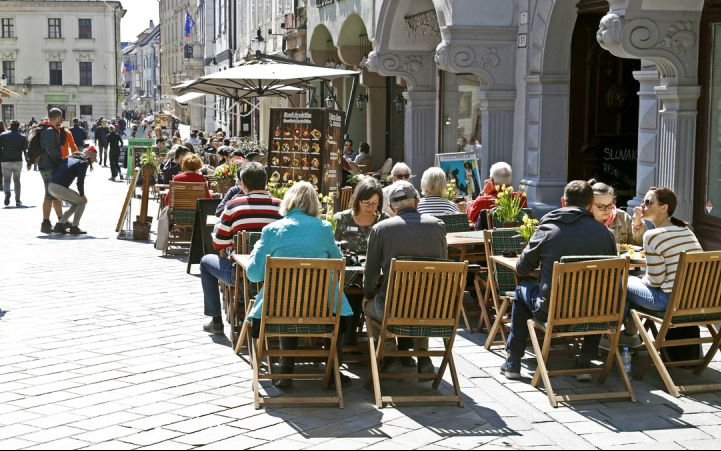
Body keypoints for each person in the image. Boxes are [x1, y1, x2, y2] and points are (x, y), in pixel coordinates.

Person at [502, 180, 617, 381]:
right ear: (590, 204)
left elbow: (522, 268)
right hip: (597, 311)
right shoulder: (606, 234)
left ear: (563, 201)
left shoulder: (549, 228)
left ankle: (513, 361)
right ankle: (584, 362)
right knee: (595, 297)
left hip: (554, 310)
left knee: (522, 289)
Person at [245, 181, 354, 387]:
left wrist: (255, 250)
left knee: (288, 301)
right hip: (321, 313)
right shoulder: (323, 228)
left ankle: (286, 367)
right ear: (314, 204)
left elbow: (254, 275)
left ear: (289, 202)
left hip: (275, 313)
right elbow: (338, 263)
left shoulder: (271, 230)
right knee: (334, 309)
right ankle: (332, 371)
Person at [363, 181, 448, 374]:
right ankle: (422, 355)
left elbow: (371, 274)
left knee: (370, 306)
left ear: (392, 207)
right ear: (417, 202)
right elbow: (443, 264)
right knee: (421, 300)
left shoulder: (381, 229)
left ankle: (391, 355)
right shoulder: (437, 226)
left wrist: (368, 294)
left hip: (393, 307)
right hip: (433, 309)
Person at [200, 162, 282, 334]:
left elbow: (219, 244)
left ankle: (216, 321)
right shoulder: (282, 207)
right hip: (276, 277)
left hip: (240, 276)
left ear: (243, 184)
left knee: (205, 262)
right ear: (266, 182)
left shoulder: (234, 206)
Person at [622, 187, 703, 339]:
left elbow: (655, 280)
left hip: (669, 302)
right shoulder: (686, 230)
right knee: (635, 283)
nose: (642, 205)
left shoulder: (652, 235)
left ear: (664, 208)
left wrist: (641, 279)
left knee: (622, 280)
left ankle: (623, 336)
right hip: (697, 300)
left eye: (648, 202)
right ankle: (630, 335)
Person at [333, 178, 390, 345]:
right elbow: (334, 247)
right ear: (357, 200)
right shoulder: (342, 219)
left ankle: (384, 344)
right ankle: (347, 339)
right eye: (367, 203)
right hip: (349, 273)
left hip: (375, 274)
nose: (371, 208)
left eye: (375, 203)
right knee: (351, 291)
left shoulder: (384, 220)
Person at [47, 148, 96, 235]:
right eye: (93, 160)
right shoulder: (83, 163)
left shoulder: (68, 158)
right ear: (89, 157)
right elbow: (80, 182)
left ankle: (59, 225)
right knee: (82, 202)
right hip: (59, 187)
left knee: (75, 203)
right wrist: (82, 195)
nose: (92, 162)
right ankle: (74, 227)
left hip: (51, 187)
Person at [467, 161, 527, 227]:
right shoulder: (520, 198)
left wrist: (483, 192)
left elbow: (470, 217)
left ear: (492, 181)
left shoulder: (482, 201)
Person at [588, 179, 645, 245]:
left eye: (610, 205)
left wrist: (638, 224)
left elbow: (640, 245)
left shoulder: (623, 217)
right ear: (590, 205)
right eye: (600, 206)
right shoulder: (582, 221)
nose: (606, 210)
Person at [38, 109, 65, 233]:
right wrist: (60, 161)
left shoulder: (50, 129)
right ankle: (46, 223)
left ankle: (60, 221)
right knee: (50, 195)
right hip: (49, 167)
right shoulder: (49, 131)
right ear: (58, 117)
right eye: (61, 118)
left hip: (48, 166)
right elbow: (51, 150)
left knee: (54, 195)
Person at [0, 120, 28, 206]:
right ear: (18, 126)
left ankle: (7, 193)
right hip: (17, 160)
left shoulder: (3, 135)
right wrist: (29, 162)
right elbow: (25, 150)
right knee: (17, 180)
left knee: (7, 180)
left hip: (5, 161)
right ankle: (18, 200)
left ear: (10, 126)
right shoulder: (22, 137)